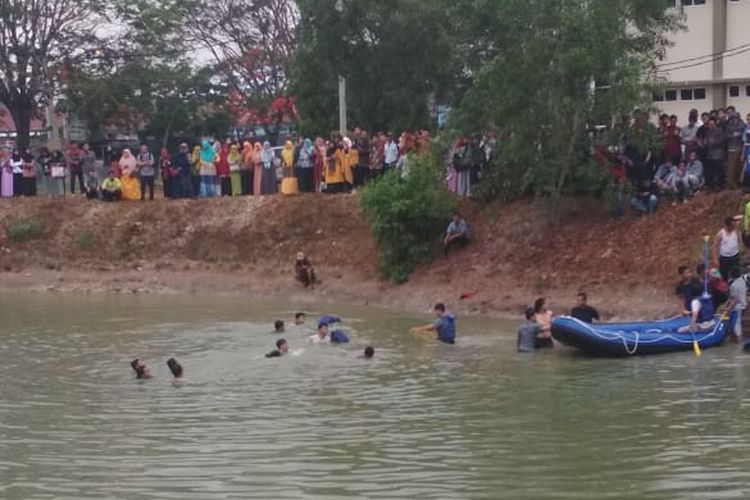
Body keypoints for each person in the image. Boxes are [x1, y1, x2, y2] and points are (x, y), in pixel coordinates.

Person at [713, 216, 741, 281]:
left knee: (736, 274)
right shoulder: (721, 234)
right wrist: (715, 258)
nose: (733, 227)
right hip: (724, 258)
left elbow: (739, 240)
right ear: (727, 225)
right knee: (724, 275)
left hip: (735, 256)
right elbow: (714, 246)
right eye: (732, 226)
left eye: (734, 226)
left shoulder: (735, 230)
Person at [723, 267, 747, 342]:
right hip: (744, 304)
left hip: (737, 306)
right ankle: (735, 338)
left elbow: (734, 300)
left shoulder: (733, 285)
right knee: (737, 322)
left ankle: (738, 339)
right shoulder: (742, 281)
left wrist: (728, 309)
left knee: (736, 323)